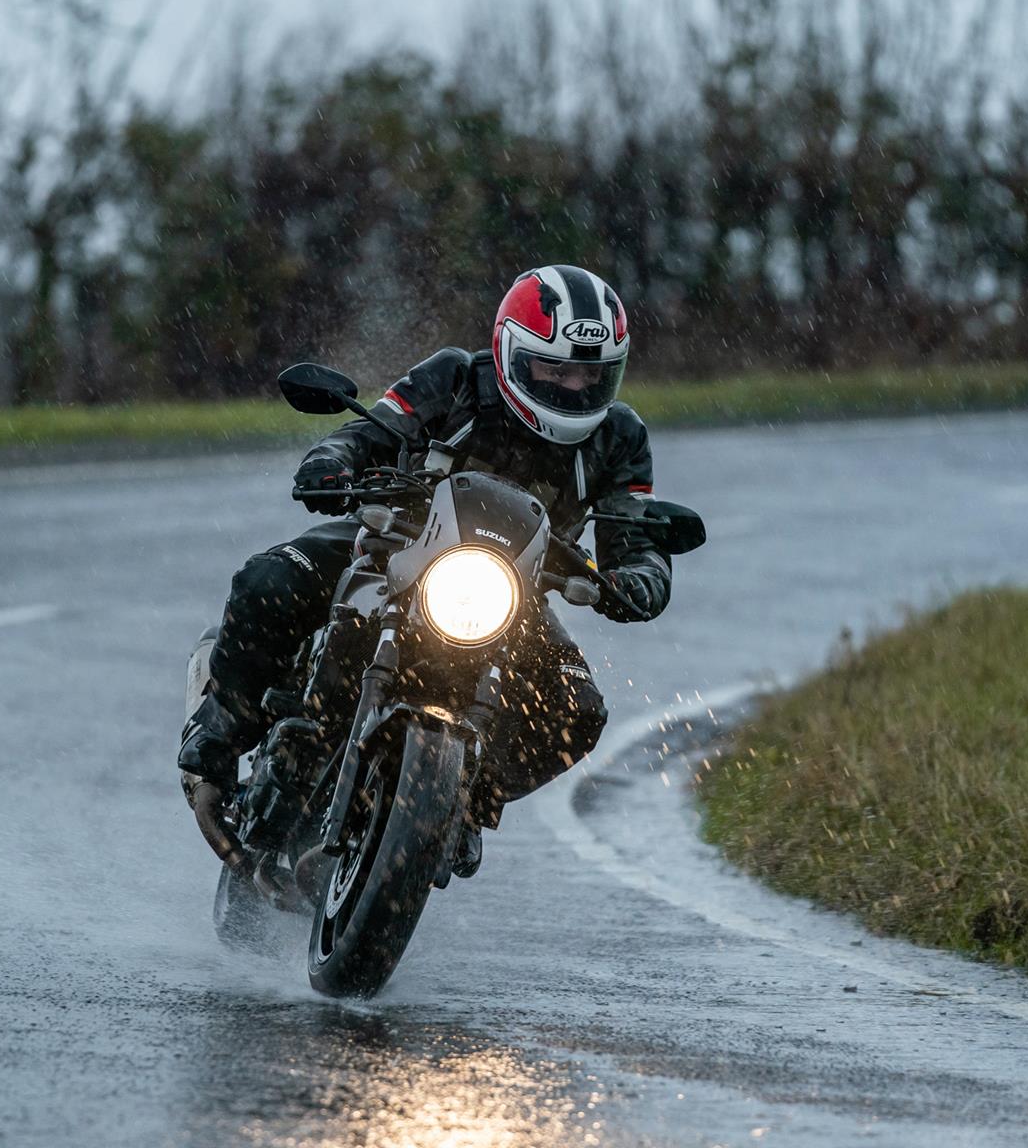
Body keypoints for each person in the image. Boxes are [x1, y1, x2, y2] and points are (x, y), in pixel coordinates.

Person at [178, 264, 671, 871]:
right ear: (513, 351)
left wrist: (636, 581)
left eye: (589, 374)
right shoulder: (457, 377)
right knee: (268, 579)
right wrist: (333, 461)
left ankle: (466, 801)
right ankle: (217, 737)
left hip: (511, 595)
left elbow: (638, 536)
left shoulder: (620, 436)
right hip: (393, 544)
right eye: (555, 367)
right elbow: (374, 431)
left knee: (578, 709)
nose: (572, 386)